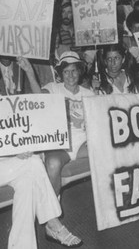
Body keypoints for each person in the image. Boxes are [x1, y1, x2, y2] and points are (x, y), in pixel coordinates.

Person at [0, 57, 82, 248]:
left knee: (28, 179)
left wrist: (17, 151)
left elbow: (11, 135)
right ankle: (53, 223)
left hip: (7, 166)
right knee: (34, 163)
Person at [41, 52, 95, 195]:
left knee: (104, 150)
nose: (70, 75)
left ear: (79, 71)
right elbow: (38, 99)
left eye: (74, 71)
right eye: (66, 71)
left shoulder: (89, 94)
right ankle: (52, 212)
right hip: (60, 144)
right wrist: (29, 72)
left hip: (82, 142)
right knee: (53, 163)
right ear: (61, 73)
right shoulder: (53, 88)